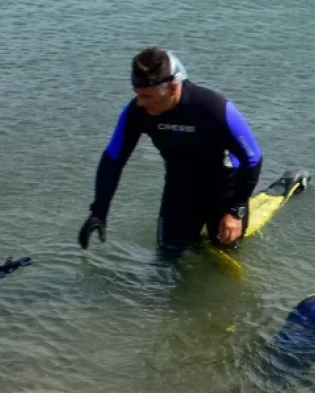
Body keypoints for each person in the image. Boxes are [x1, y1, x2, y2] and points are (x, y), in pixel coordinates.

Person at [78, 47, 263, 257]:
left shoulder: (212, 107)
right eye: (137, 95)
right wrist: (98, 212)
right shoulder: (137, 112)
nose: (140, 102)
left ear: (173, 87)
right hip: (179, 189)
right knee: (166, 257)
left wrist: (235, 211)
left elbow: (253, 158)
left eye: (148, 96)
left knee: (225, 256)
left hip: (224, 191)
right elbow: (113, 159)